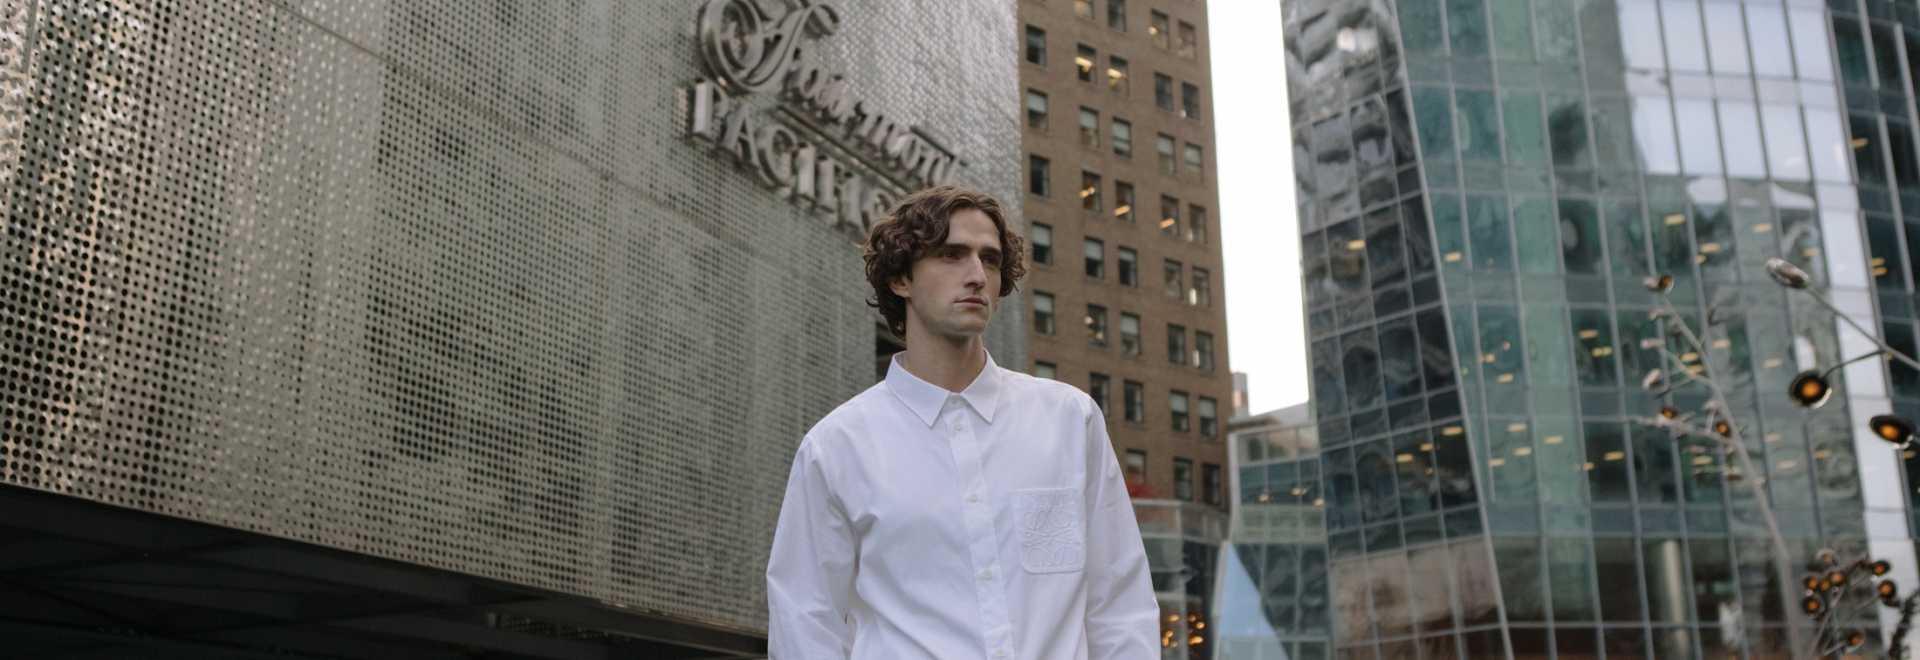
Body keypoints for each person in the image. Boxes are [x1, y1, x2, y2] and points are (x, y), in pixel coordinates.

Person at [765, 185, 1159, 660]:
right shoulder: (837, 446)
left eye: (990, 260)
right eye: (951, 255)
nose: (976, 275)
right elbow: (805, 625)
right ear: (900, 280)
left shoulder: (1070, 421)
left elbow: (1120, 604)